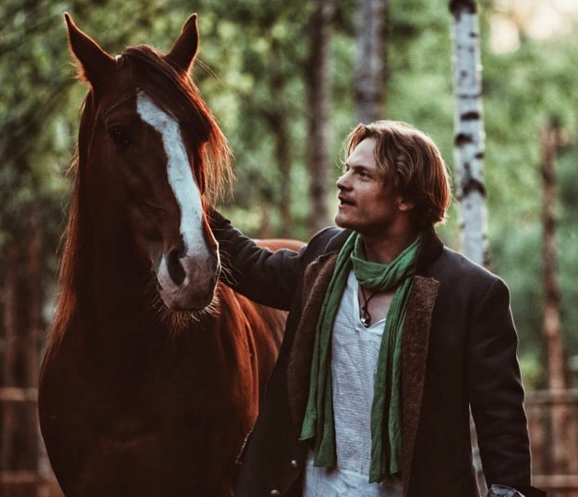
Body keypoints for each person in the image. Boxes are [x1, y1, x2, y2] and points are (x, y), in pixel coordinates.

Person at [211, 120, 544, 497]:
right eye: (347, 169)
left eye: (363, 174)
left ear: (406, 197)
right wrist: (187, 202)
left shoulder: (471, 293)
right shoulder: (325, 255)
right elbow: (253, 267)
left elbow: (501, 419)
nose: (343, 182)